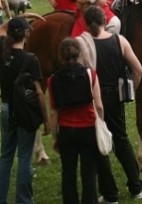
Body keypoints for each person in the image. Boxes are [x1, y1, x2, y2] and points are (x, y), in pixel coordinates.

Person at [80, 6, 142, 202]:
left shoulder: (84, 45)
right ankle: (136, 186)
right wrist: (130, 88)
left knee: (100, 144)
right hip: (116, 96)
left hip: (93, 98)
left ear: (86, 23)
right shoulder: (119, 40)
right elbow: (138, 69)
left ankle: (110, 193)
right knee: (121, 140)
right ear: (104, 21)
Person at [0, 17, 50, 204]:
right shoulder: (30, 59)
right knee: (25, 156)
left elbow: (1, 28)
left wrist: (13, 20)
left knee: (6, 155)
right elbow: (39, 92)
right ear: (25, 34)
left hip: (6, 108)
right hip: (24, 111)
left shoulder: (0, 51)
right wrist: (47, 119)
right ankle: (24, 200)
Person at [48, 37, 104, 204]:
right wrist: (101, 123)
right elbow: (99, 105)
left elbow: (54, 112)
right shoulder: (90, 75)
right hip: (87, 128)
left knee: (68, 172)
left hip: (66, 130)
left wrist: (54, 136)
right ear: (79, 54)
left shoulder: (53, 80)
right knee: (88, 173)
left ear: (60, 56)